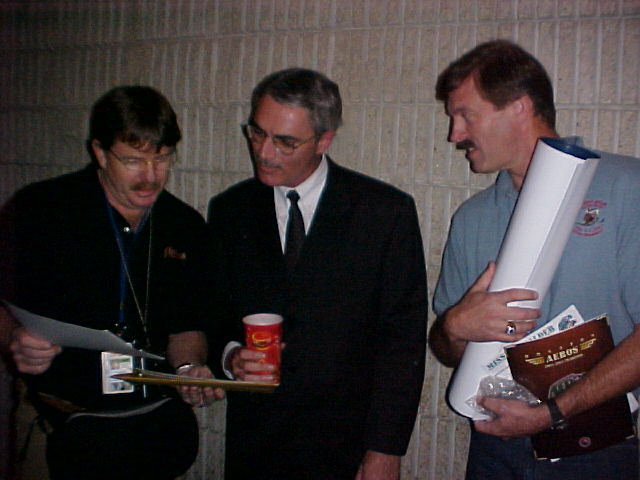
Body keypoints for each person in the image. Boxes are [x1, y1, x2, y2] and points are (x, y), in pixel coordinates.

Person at [429, 39, 640, 479]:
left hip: (604, 450)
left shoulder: (627, 188)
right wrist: (455, 327)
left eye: (466, 115)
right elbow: (448, 351)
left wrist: (553, 412)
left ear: (520, 107)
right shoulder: (471, 218)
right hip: (497, 448)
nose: (454, 135)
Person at [207, 68, 428, 479]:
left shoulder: (383, 213)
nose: (264, 152)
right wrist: (230, 355)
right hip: (255, 443)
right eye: (257, 133)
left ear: (324, 140)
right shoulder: (229, 210)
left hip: (346, 444)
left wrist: (385, 449)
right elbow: (214, 311)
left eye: (285, 142)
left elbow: (402, 341)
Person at [0, 85, 224, 480]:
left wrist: (189, 367)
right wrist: (12, 337)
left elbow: (188, 325)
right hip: (62, 424)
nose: (150, 176)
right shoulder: (41, 209)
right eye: (133, 160)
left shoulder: (184, 225)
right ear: (100, 153)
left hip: (151, 429)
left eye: (162, 158)